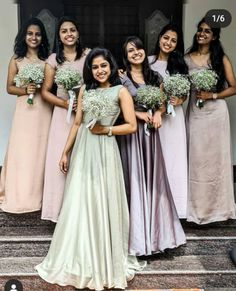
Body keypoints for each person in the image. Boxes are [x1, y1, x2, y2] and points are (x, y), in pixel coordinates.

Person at [35, 47, 145, 290]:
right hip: (84, 150)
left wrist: (106, 129)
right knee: (80, 199)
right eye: (94, 67)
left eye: (103, 66)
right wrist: (65, 151)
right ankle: (80, 255)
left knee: (102, 199)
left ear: (111, 66)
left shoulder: (121, 91)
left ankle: (105, 257)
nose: (99, 70)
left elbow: (131, 126)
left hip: (105, 150)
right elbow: (76, 123)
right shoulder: (85, 90)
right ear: (90, 70)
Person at [118, 36, 186, 256]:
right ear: (126, 56)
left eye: (138, 48)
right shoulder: (121, 78)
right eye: (130, 50)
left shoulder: (155, 76)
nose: (136, 52)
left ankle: (157, 236)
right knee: (135, 180)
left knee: (154, 180)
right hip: (132, 133)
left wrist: (157, 112)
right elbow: (116, 106)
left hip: (151, 136)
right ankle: (136, 240)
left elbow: (165, 103)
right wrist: (137, 114)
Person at [185, 17, 236, 224]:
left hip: (216, 114)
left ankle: (219, 209)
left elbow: (234, 87)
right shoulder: (186, 58)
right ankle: (196, 208)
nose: (202, 33)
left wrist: (212, 95)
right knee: (196, 160)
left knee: (216, 161)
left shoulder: (220, 58)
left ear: (214, 36)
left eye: (207, 31)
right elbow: (179, 84)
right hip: (195, 114)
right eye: (200, 30)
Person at [41, 16, 90, 222]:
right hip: (62, 114)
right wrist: (65, 104)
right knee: (61, 160)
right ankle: (58, 211)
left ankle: (80, 211)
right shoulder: (53, 59)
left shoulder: (88, 55)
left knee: (82, 159)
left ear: (78, 33)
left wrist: (82, 102)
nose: (69, 33)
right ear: (59, 36)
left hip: (85, 112)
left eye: (72, 29)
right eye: (64, 31)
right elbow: (45, 92)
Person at [0, 18, 52, 213]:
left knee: (41, 150)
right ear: (24, 36)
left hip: (43, 109)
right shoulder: (16, 60)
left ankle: (39, 195)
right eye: (30, 33)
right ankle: (19, 194)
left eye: (38, 34)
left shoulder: (48, 60)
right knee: (23, 150)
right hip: (25, 110)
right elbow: (9, 88)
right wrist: (25, 89)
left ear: (42, 38)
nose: (34, 37)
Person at [148, 23, 188, 218]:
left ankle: (177, 209)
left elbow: (185, 94)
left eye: (173, 40)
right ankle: (157, 208)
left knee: (175, 160)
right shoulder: (147, 62)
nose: (168, 43)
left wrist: (180, 100)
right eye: (166, 38)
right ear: (159, 37)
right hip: (155, 118)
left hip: (175, 119)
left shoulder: (180, 65)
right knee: (157, 160)